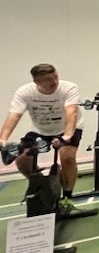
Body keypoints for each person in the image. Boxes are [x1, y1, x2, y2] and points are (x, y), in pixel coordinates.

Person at [0, 64, 83, 213]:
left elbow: (71, 112)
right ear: (37, 82)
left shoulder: (68, 88)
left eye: (55, 77)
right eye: (48, 79)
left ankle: (67, 198)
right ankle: (43, 186)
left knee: (67, 158)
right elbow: (14, 115)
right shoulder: (25, 92)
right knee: (22, 160)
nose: (54, 81)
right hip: (40, 129)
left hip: (67, 128)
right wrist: (3, 139)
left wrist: (67, 136)